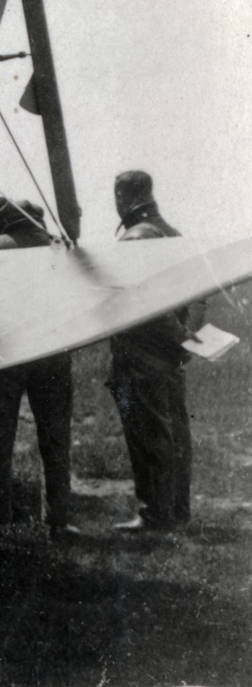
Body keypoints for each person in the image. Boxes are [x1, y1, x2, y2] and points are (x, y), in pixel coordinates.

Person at [0, 197, 76, 539]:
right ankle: (58, 521)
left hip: (7, 354)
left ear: (3, 220)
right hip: (53, 351)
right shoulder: (59, 246)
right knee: (56, 438)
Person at [108, 170, 200, 532]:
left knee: (149, 434)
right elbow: (194, 294)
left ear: (122, 195)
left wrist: (178, 336)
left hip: (139, 356)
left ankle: (155, 512)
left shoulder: (136, 238)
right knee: (176, 433)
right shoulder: (171, 233)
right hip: (170, 358)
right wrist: (187, 337)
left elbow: (149, 303)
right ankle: (178, 510)